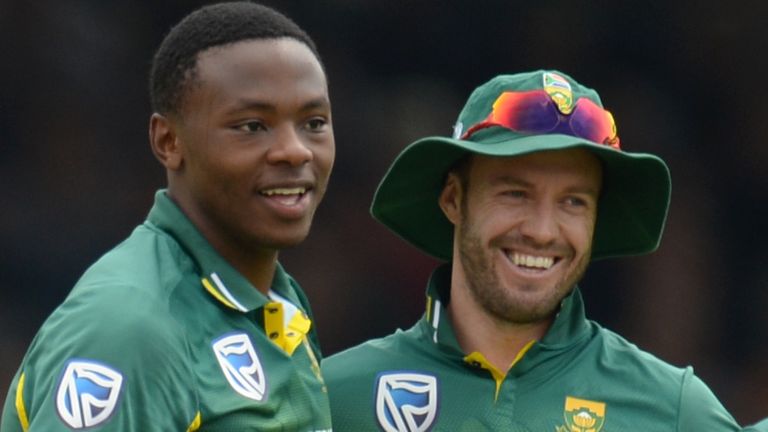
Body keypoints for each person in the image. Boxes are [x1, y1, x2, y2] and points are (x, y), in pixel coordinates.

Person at [322, 70, 768, 431]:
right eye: (515, 193)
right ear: (454, 199)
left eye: (573, 201)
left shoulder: (671, 410)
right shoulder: (333, 400)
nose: (541, 231)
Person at [1, 2, 335, 431]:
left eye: (314, 122)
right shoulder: (130, 328)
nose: (295, 150)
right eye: (252, 126)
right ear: (168, 141)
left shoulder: (279, 304)